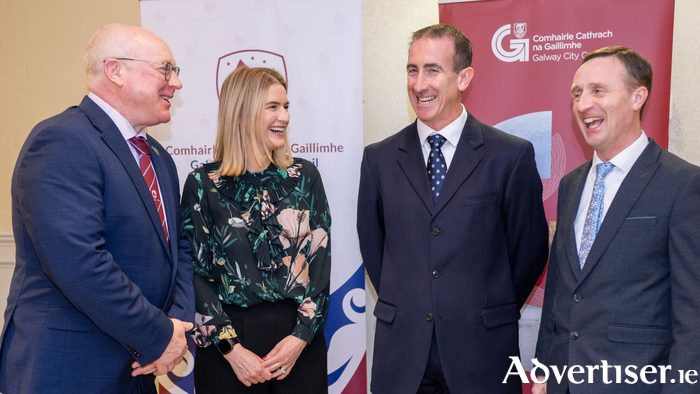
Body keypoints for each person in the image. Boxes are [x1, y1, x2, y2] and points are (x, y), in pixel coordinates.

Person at [0, 24, 194, 393]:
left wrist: (177, 328)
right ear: (115, 70)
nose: (176, 83)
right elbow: (79, 263)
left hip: (139, 365)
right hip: (69, 368)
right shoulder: (62, 140)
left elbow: (178, 250)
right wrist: (159, 334)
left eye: (175, 71)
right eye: (165, 69)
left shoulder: (159, 158)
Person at [357, 23, 549, 393]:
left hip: (482, 353)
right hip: (401, 354)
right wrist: (410, 299)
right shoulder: (378, 159)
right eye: (412, 70)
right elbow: (374, 249)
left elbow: (528, 252)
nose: (418, 83)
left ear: (464, 78)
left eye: (432, 70)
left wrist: (485, 306)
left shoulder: (509, 156)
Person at [534, 47, 700, 394]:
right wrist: (542, 374)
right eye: (577, 94)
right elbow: (560, 293)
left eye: (598, 91)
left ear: (638, 96)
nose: (582, 105)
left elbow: (694, 318)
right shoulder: (570, 184)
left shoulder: (683, 184)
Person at [182, 66, 331, 393]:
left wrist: (300, 338)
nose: (285, 117)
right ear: (241, 114)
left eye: (286, 106)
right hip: (227, 351)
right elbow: (195, 273)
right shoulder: (202, 184)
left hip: (299, 345)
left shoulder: (306, 177)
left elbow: (320, 265)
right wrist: (231, 350)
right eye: (273, 107)